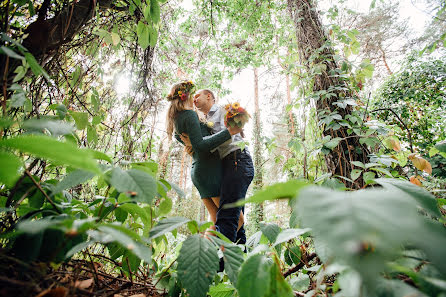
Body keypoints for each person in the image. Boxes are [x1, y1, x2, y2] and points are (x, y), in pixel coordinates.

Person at [166, 81, 242, 231]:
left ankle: (207, 252)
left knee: (216, 222)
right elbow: (200, 145)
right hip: (208, 170)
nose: (193, 99)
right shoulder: (189, 115)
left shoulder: (175, 119)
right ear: (185, 96)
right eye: (192, 94)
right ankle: (212, 252)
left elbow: (190, 143)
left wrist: (192, 145)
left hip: (199, 172)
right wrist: (229, 132)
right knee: (236, 219)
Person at [183, 89, 254, 244]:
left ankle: (214, 262)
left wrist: (199, 145)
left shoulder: (223, 110)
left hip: (238, 160)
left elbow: (229, 137)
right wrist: (195, 147)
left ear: (209, 96)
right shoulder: (200, 120)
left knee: (227, 216)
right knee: (236, 219)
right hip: (225, 166)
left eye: (197, 96)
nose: (194, 99)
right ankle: (239, 262)